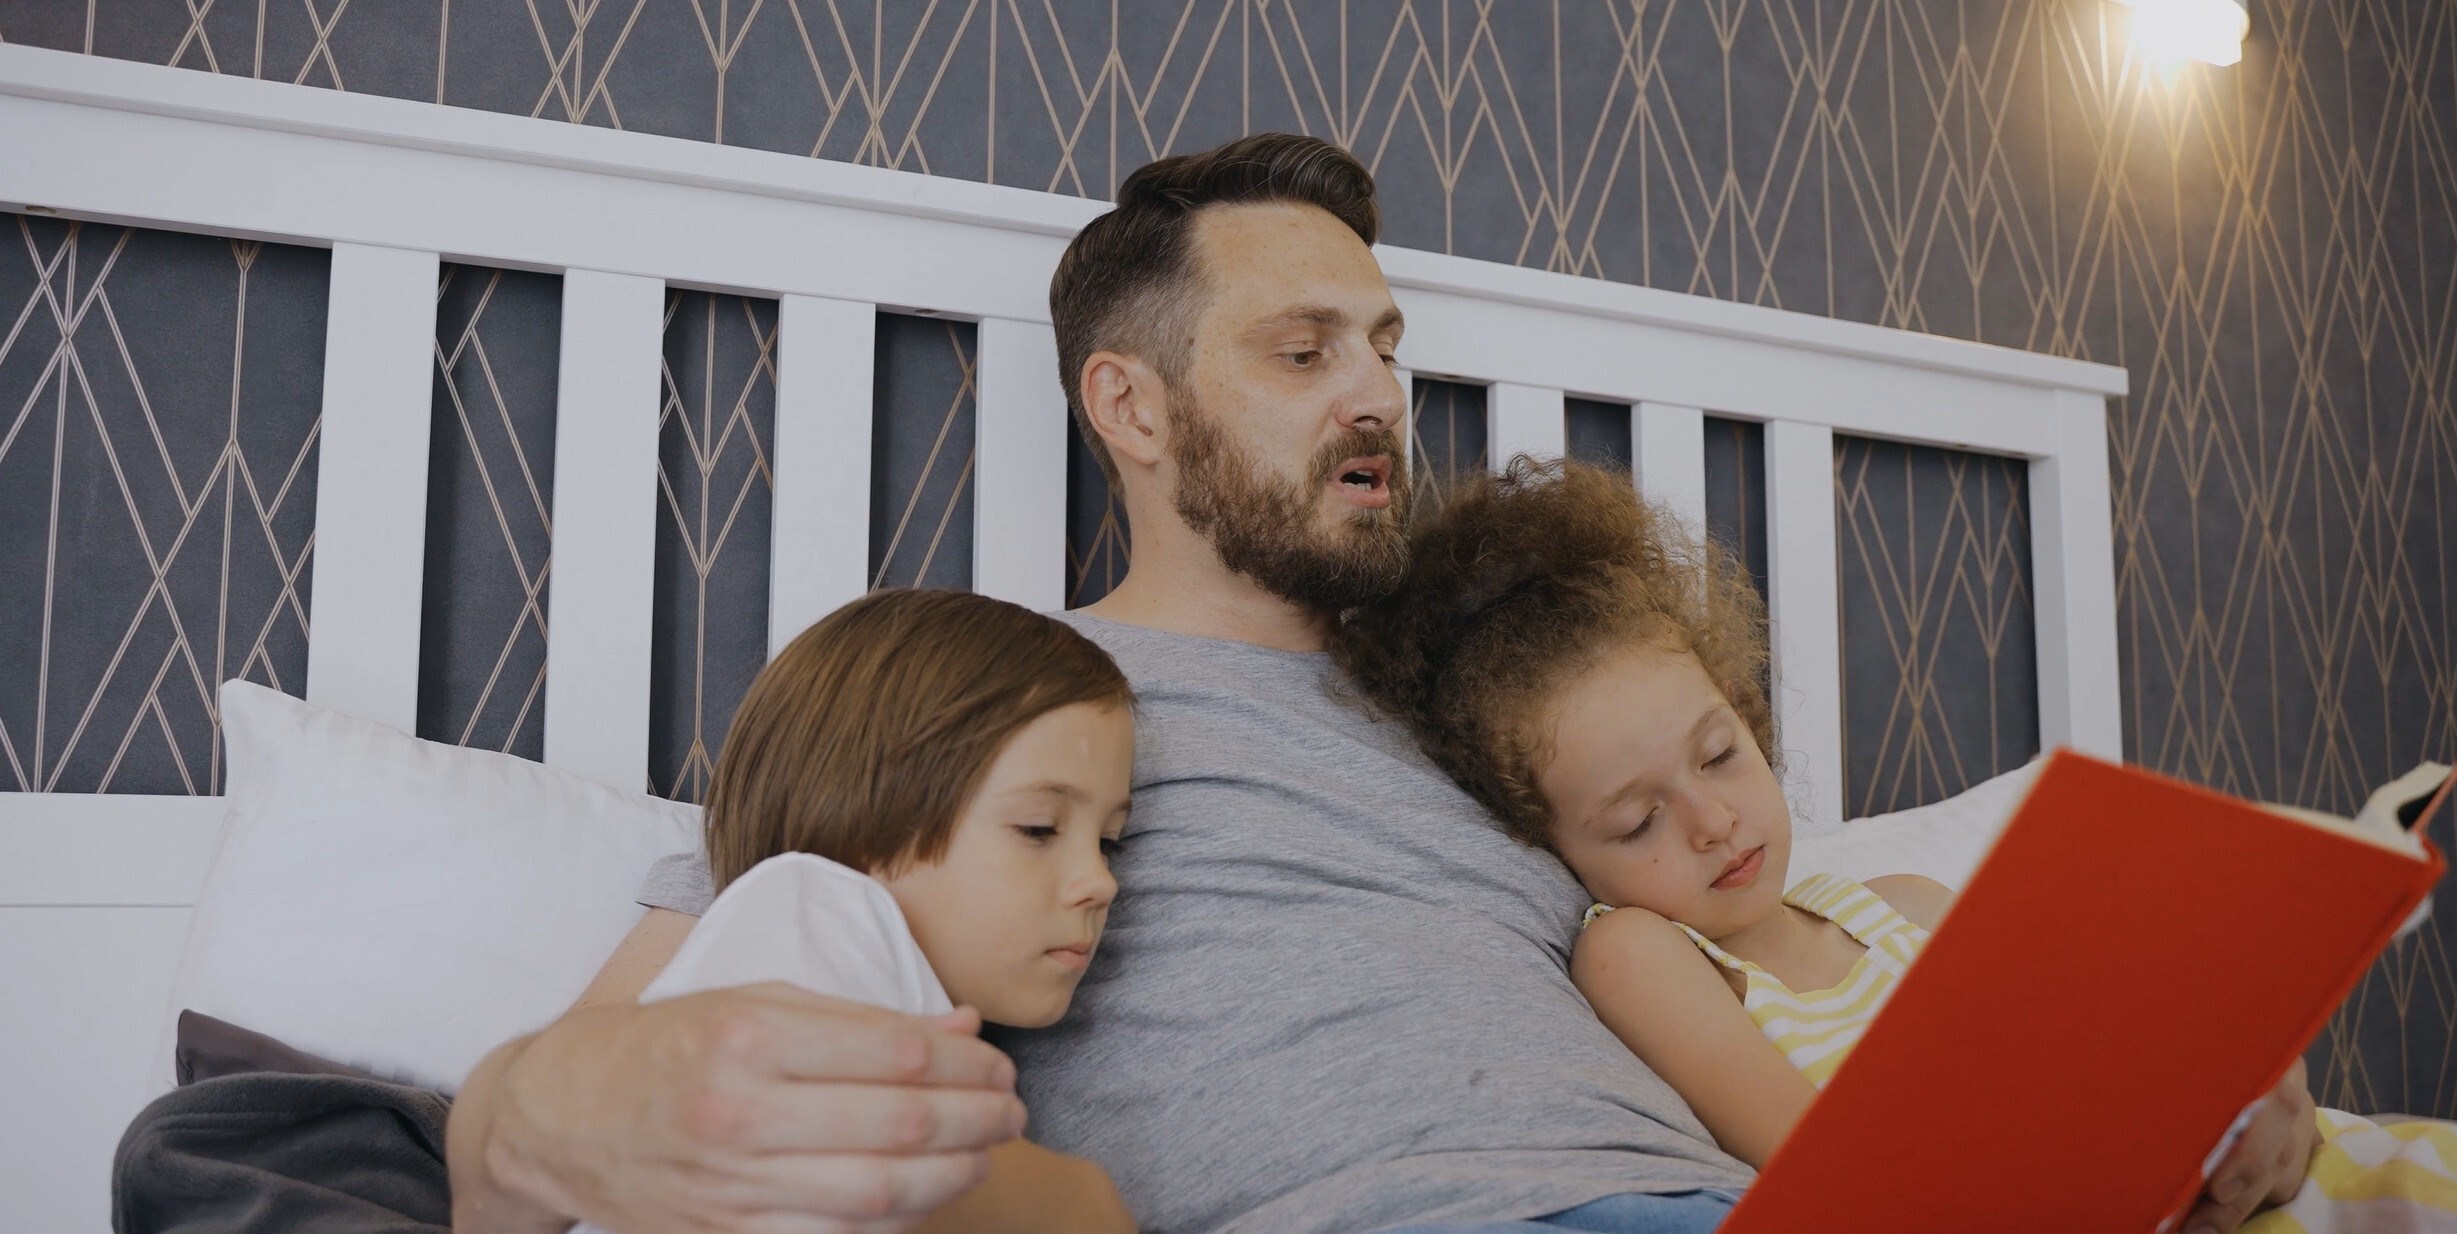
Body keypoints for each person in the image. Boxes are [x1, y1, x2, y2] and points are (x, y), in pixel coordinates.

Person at [445, 133, 2326, 1234]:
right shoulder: (999, 714)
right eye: (1301, 350)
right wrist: (531, 1111)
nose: (1374, 395)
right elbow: (584, 1080)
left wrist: (2163, 1119)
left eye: (1385, 345)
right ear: (1130, 404)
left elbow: (1796, 973)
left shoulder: (1511, 719)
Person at [1338, 457, 2456, 1234]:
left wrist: (2252, 1083)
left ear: (1747, 714)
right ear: (1548, 847)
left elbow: (2107, 1050)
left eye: (1720, 754)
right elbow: (1834, 1175)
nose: (1712, 821)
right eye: (1638, 822)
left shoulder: (1908, 903)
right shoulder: (1639, 951)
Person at [633, 588, 1139, 1234]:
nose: (1100, 882)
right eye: (1039, 828)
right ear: (855, 823)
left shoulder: (923, 1026)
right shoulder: (807, 909)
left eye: (1109, 842)